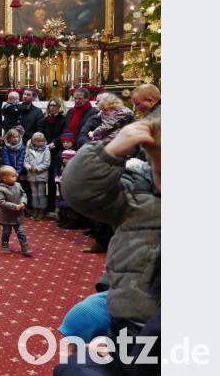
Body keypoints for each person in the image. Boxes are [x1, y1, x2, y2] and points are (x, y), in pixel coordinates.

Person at [62, 116, 161, 369]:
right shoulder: (137, 195)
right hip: (130, 323)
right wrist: (110, 151)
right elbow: (79, 192)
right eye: (160, 170)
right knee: (77, 364)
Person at [0, 165, 32, 256]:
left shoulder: (18, 185)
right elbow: (0, 202)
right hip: (7, 216)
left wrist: (23, 203)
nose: (16, 177)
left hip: (18, 215)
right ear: (4, 178)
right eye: (13, 176)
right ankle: (5, 244)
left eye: (16, 175)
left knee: (21, 232)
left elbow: (24, 194)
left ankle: (24, 246)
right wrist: (15, 206)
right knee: (7, 232)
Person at [43, 97, 67, 214]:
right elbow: (42, 133)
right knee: (48, 180)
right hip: (45, 150)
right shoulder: (46, 119)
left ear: (59, 106)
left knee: (56, 179)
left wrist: (55, 143)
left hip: (57, 151)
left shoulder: (63, 119)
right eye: (50, 105)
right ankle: (50, 204)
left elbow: (64, 134)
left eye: (54, 105)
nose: (52, 107)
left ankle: (62, 205)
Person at [24, 132, 51, 220]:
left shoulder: (46, 150)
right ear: (33, 141)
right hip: (32, 175)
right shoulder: (29, 150)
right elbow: (26, 162)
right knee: (34, 194)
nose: (40, 143)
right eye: (38, 141)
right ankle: (35, 210)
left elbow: (47, 163)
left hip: (41, 175)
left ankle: (42, 211)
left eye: (42, 141)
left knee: (41, 194)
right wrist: (29, 168)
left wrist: (37, 168)